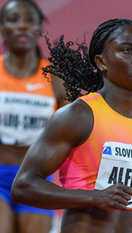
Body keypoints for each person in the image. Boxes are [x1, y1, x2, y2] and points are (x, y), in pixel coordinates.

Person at [11, 18, 132, 233]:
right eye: (127, 50)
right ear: (101, 62)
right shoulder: (79, 116)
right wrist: (94, 197)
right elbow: (23, 186)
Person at [0, 0, 66, 233]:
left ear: (39, 28)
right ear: (2, 28)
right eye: (13, 20)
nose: (22, 26)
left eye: (29, 20)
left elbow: (73, 132)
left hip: (36, 178)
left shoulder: (55, 79)